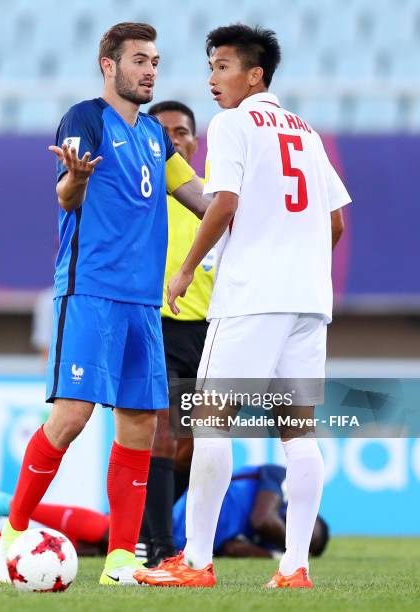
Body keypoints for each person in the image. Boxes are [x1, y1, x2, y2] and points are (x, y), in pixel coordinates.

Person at [0, 22, 208, 587]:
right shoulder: (86, 118)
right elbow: (66, 190)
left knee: (138, 423)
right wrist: (77, 179)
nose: (150, 70)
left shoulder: (158, 138)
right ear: (108, 65)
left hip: (143, 304)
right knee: (71, 417)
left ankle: (119, 561)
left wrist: (256, 202)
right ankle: (12, 533)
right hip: (90, 291)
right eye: (139, 60)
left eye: (155, 61)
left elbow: (202, 199)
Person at [136, 24, 350, 589]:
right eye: (210, 68)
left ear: (255, 75)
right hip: (309, 301)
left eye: (223, 67)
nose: (212, 79)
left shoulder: (234, 124)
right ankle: (295, 566)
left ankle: (196, 562)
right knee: (298, 432)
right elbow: (335, 221)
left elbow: (224, 202)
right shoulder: (306, 132)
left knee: (210, 423)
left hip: (253, 297)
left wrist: (185, 270)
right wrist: (298, 265)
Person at [0, 465, 329, 561]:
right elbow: (264, 520)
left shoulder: (259, 541)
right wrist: (287, 550)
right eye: (307, 535)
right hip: (174, 505)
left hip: (178, 538)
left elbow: (229, 549)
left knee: (90, 551)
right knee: (109, 530)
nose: (301, 540)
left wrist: (273, 554)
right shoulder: (276, 482)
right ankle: (4, 504)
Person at [140, 101, 215, 566]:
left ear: (193, 140)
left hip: (211, 332)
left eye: (181, 132)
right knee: (161, 434)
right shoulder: (140, 197)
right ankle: (161, 547)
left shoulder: (212, 197)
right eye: (163, 133)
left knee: (195, 445)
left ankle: (146, 527)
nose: (173, 140)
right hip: (158, 326)